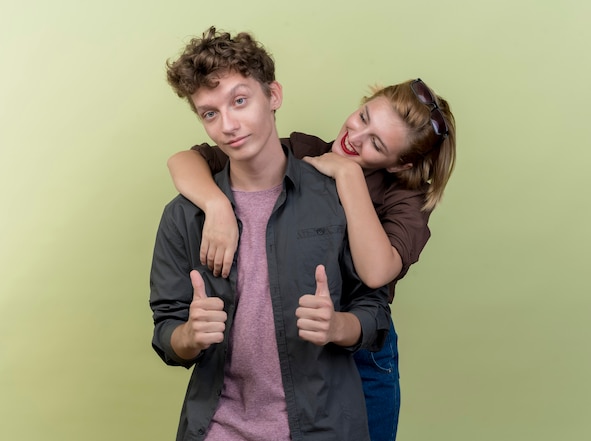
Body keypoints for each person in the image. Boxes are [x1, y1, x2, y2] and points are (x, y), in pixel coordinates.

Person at [167, 75, 456, 440]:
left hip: (361, 348)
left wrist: (348, 174)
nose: (355, 137)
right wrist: (216, 206)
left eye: (377, 145)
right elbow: (184, 160)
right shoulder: (302, 151)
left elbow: (375, 272)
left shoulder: (406, 200)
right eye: (363, 117)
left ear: (399, 166)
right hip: (297, 339)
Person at [149, 26, 391, 441]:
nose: (228, 124)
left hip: (322, 427)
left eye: (239, 101)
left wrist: (338, 326)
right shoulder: (184, 216)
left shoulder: (337, 198)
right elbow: (167, 331)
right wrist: (189, 335)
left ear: (273, 96)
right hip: (218, 428)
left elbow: (374, 310)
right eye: (210, 113)